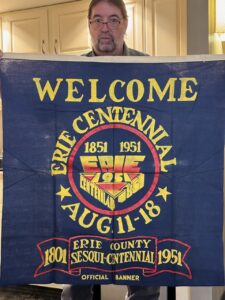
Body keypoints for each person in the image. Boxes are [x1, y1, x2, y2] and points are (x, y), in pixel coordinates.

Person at [62, 1, 160, 300]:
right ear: (89, 24)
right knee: (76, 283)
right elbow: (40, 113)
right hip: (84, 189)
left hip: (138, 188)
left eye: (113, 19)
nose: (105, 28)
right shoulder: (68, 73)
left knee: (144, 282)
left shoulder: (151, 69)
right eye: (98, 20)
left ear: (126, 23)